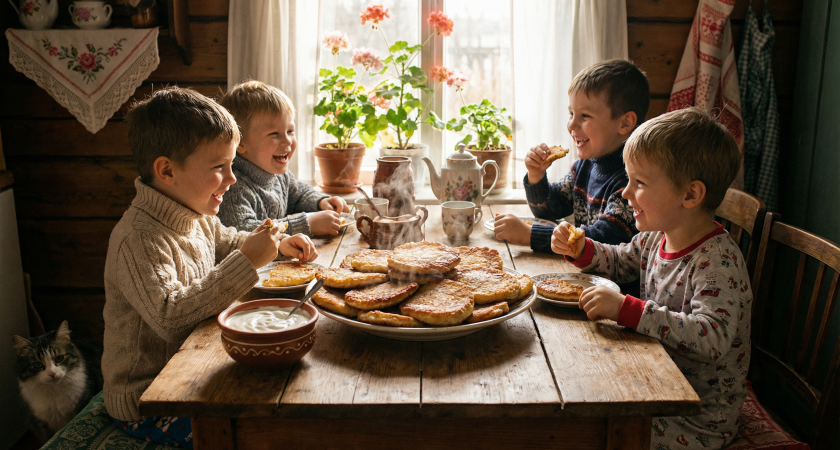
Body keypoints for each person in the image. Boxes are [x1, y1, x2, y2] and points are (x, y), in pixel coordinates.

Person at [102, 87, 317, 448]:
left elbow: (230, 240)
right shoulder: (137, 239)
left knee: (293, 390)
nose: (232, 179)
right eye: (220, 167)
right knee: (263, 433)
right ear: (167, 170)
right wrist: (247, 261)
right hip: (149, 397)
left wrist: (277, 246)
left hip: (193, 369)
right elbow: (170, 317)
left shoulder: (195, 213)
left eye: (232, 164)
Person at [553, 107, 751, 449]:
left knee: (584, 430)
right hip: (657, 381)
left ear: (690, 195)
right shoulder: (656, 236)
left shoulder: (717, 262)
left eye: (639, 183)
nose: (625, 193)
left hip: (695, 416)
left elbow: (712, 337)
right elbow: (619, 261)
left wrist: (628, 310)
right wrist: (583, 249)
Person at [494, 59, 647, 253]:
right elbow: (550, 209)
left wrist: (529, 234)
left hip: (614, 283)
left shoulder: (632, 181)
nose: (571, 126)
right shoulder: (585, 166)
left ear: (625, 123)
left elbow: (603, 239)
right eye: (571, 114)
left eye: (585, 116)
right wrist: (536, 175)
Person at [218, 80, 349, 236]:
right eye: (274, 134)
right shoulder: (232, 187)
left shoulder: (278, 175)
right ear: (240, 143)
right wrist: (307, 224)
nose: (287, 141)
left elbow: (299, 194)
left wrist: (320, 202)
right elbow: (243, 231)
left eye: (290, 131)